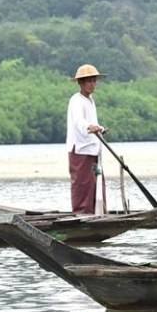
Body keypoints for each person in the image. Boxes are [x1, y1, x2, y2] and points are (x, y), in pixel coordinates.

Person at [66, 64, 107, 214]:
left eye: (94, 81)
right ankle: (81, 214)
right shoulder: (76, 100)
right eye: (88, 81)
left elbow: (92, 122)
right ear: (81, 83)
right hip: (80, 149)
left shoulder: (90, 100)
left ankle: (97, 213)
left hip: (93, 149)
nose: (92, 84)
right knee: (82, 185)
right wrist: (89, 127)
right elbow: (79, 122)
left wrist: (99, 128)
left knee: (95, 184)